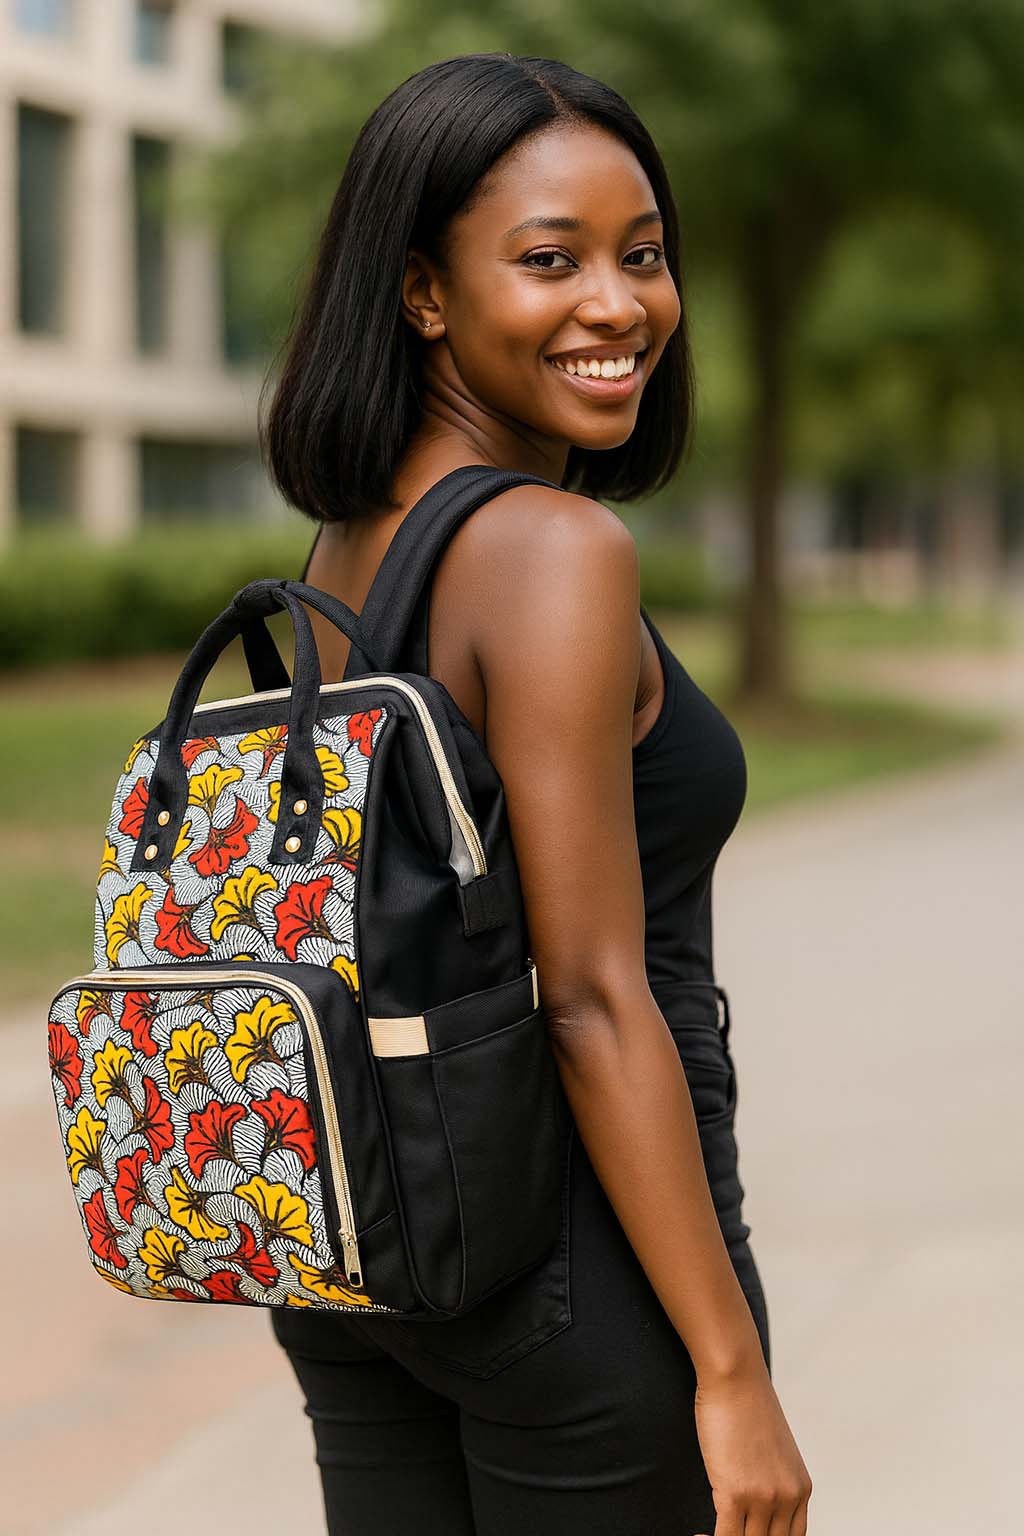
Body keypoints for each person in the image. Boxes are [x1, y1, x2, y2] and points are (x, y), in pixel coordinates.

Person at [261, 51, 812, 1536]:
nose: (619, 305)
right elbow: (589, 997)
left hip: (366, 1252)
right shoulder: (556, 553)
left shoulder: (346, 556)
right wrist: (729, 1368)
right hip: (570, 1260)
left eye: (645, 255)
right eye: (550, 260)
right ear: (424, 294)